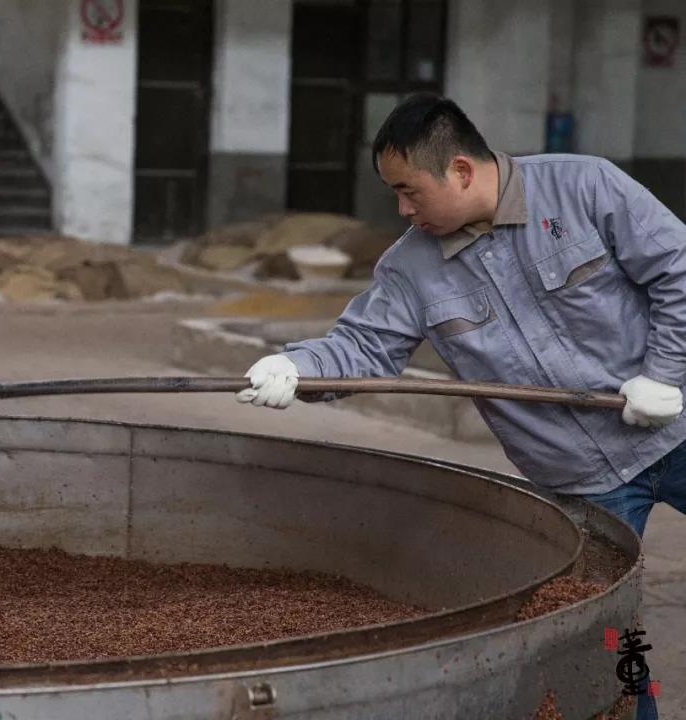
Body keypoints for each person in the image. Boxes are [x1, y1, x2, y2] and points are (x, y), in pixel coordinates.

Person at [238, 93, 682, 717]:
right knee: (600, 638)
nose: (402, 209)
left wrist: (666, 375)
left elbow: (679, 270)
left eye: (409, 191)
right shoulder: (410, 268)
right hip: (583, 479)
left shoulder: (585, 187)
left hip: (679, 430)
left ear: (463, 171)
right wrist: (299, 367)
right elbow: (365, 346)